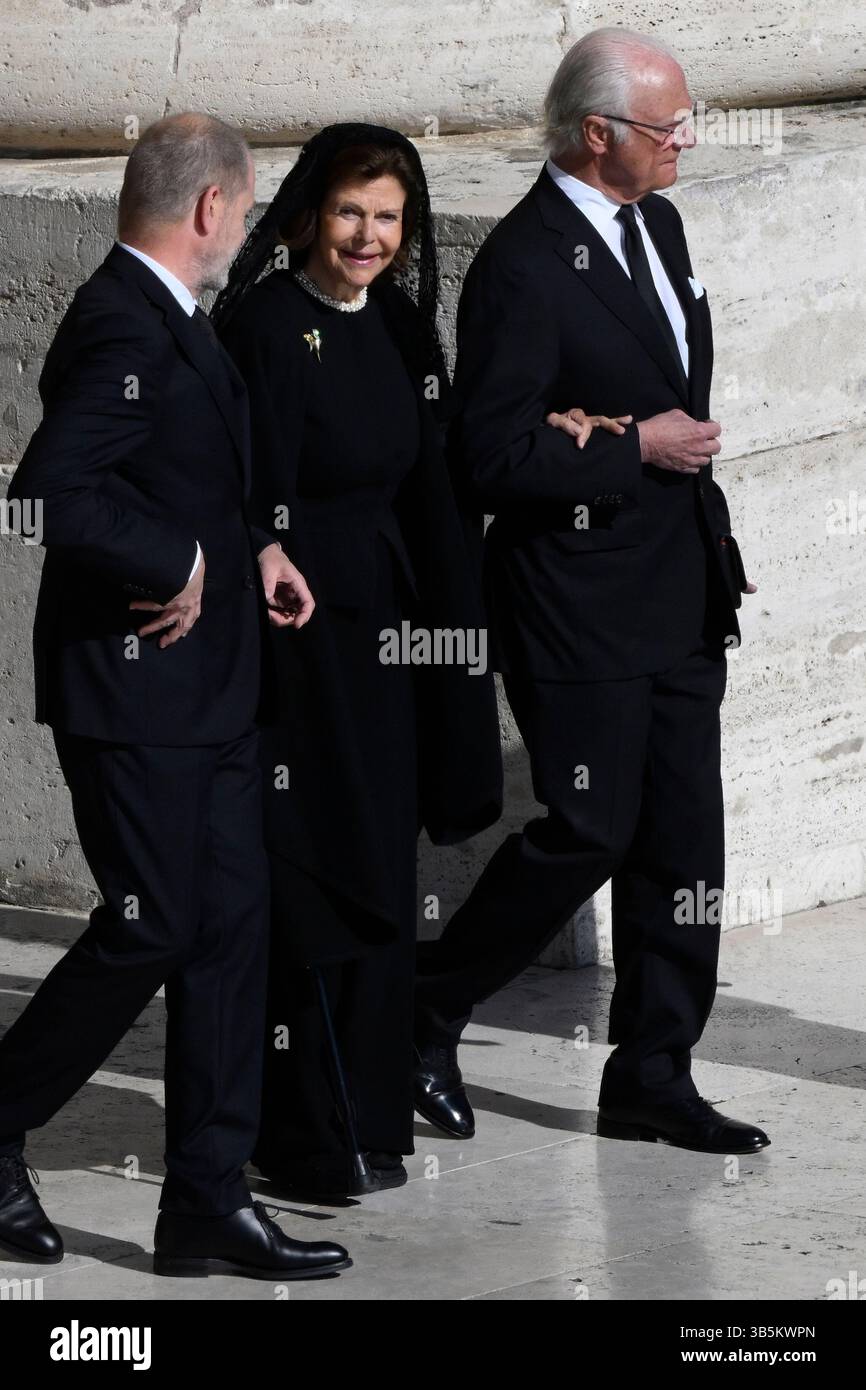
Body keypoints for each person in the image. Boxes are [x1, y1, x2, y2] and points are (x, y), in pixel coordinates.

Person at [0, 112, 350, 1279]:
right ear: (210, 207)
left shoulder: (171, 320)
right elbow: (45, 497)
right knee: (152, 926)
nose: (243, 230)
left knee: (227, 942)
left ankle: (206, 1200)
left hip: (214, 696)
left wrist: (246, 549)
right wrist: (177, 563)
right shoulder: (119, 322)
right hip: (135, 697)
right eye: (245, 212)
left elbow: (182, 477)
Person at [413, 29, 772, 1157]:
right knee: (587, 829)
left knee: (682, 843)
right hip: (573, 601)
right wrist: (630, 448)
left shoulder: (655, 224)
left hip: (676, 587)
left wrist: (635, 438)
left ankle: (653, 1069)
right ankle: (421, 1005)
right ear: (595, 134)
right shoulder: (522, 264)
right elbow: (489, 454)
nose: (684, 142)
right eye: (666, 128)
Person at [212, 123, 504, 1200]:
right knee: (310, 884)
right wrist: (266, 546)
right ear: (304, 216)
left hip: (386, 652)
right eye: (349, 213)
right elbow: (235, 493)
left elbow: (432, 492)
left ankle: (373, 1114)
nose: (368, 237)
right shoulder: (265, 329)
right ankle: (300, 1133)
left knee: (381, 877)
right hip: (294, 656)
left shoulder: (397, 330)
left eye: (387, 218)